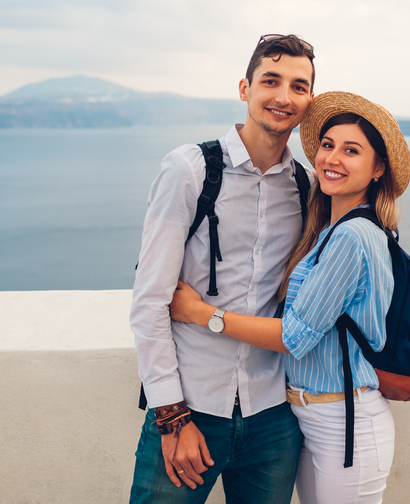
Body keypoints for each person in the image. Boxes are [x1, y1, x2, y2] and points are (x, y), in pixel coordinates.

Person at [170, 91, 410, 504]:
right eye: (328, 145)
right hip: (312, 416)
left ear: (377, 169)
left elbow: (296, 337)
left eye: (351, 151)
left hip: (345, 421)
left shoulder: (352, 237)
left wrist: (202, 313)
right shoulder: (332, 230)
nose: (332, 159)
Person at [128, 34, 316, 504]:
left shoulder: (307, 187)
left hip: (274, 418)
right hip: (190, 409)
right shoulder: (190, 170)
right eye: (270, 81)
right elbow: (150, 302)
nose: (283, 96)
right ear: (244, 87)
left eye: (298, 86)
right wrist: (171, 417)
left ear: (309, 100)